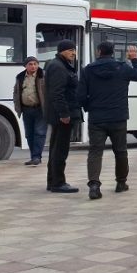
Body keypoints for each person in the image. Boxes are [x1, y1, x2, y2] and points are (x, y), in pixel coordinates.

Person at [78, 41, 137, 200]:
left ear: (98, 51)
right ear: (113, 52)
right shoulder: (123, 67)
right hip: (118, 117)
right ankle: (121, 183)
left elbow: (80, 96)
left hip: (97, 118)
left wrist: (90, 107)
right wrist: (135, 58)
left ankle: (94, 185)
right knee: (121, 151)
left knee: (95, 151)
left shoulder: (88, 70)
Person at [44, 40, 81, 193]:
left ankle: (52, 181)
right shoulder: (58, 67)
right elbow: (57, 93)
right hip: (62, 116)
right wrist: (64, 114)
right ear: (61, 51)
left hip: (59, 114)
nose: (73, 53)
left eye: (74, 50)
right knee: (60, 150)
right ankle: (58, 183)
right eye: (70, 50)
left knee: (55, 149)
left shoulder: (59, 65)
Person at [13, 56, 46, 166]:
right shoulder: (20, 77)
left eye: (35, 64)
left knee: (39, 133)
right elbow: (16, 92)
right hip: (26, 110)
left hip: (40, 109)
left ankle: (37, 157)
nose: (33, 66)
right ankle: (34, 157)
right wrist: (17, 105)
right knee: (29, 134)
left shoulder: (43, 76)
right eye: (30, 64)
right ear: (25, 66)